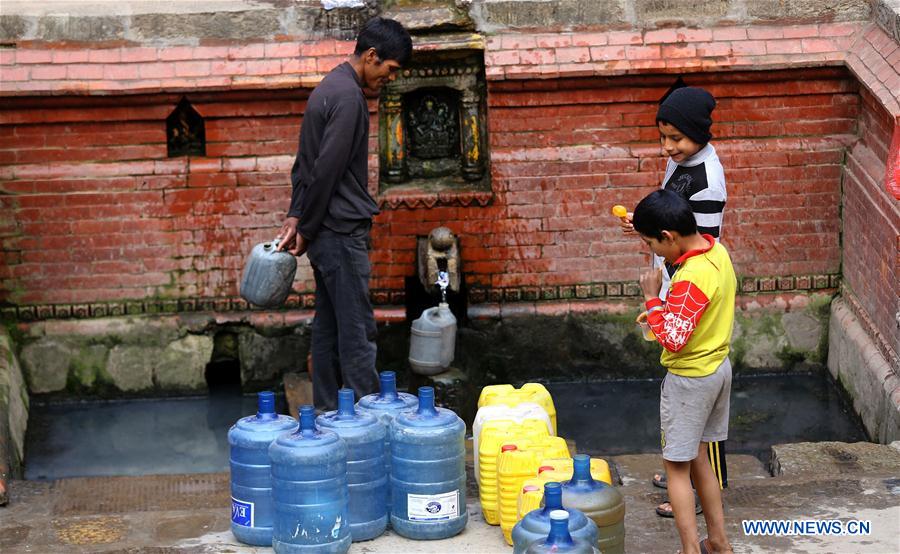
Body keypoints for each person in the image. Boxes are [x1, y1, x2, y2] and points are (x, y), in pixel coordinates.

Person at [275, 17, 412, 411]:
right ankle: (367, 421)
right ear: (371, 56)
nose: (390, 77)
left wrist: (297, 215)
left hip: (324, 231)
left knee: (329, 326)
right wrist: (308, 223)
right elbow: (325, 171)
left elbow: (304, 166)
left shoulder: (327, 88)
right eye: (390, 69)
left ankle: (326, 411)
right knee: (356, 331)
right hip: (339, 231)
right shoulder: (349, 98)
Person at [619, 84, 728, 517]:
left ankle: (705, 487)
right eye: (663, 137)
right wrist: (643, 224)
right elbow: (672, 221)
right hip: (673, 280)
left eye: (676, 138)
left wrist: (663, 297)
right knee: (686, 398)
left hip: (691, 291)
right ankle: (682, 465)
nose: (668, 148)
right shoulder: (681, 163)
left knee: (701, 401)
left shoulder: (708, 181)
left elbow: (703, 244)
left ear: (699, 133)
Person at [633, 189, 736, 554]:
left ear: (669, 236)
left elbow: (673, 338)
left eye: (652, 245)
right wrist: (663, 311)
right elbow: (689, 317)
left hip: (690, 379)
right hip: (717, 368)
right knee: (699, 459)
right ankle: (719, 543)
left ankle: (691, 549)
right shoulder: (716, 252)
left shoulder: (690, 277)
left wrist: (652, 299)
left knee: (676, 468)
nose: (655, 254)